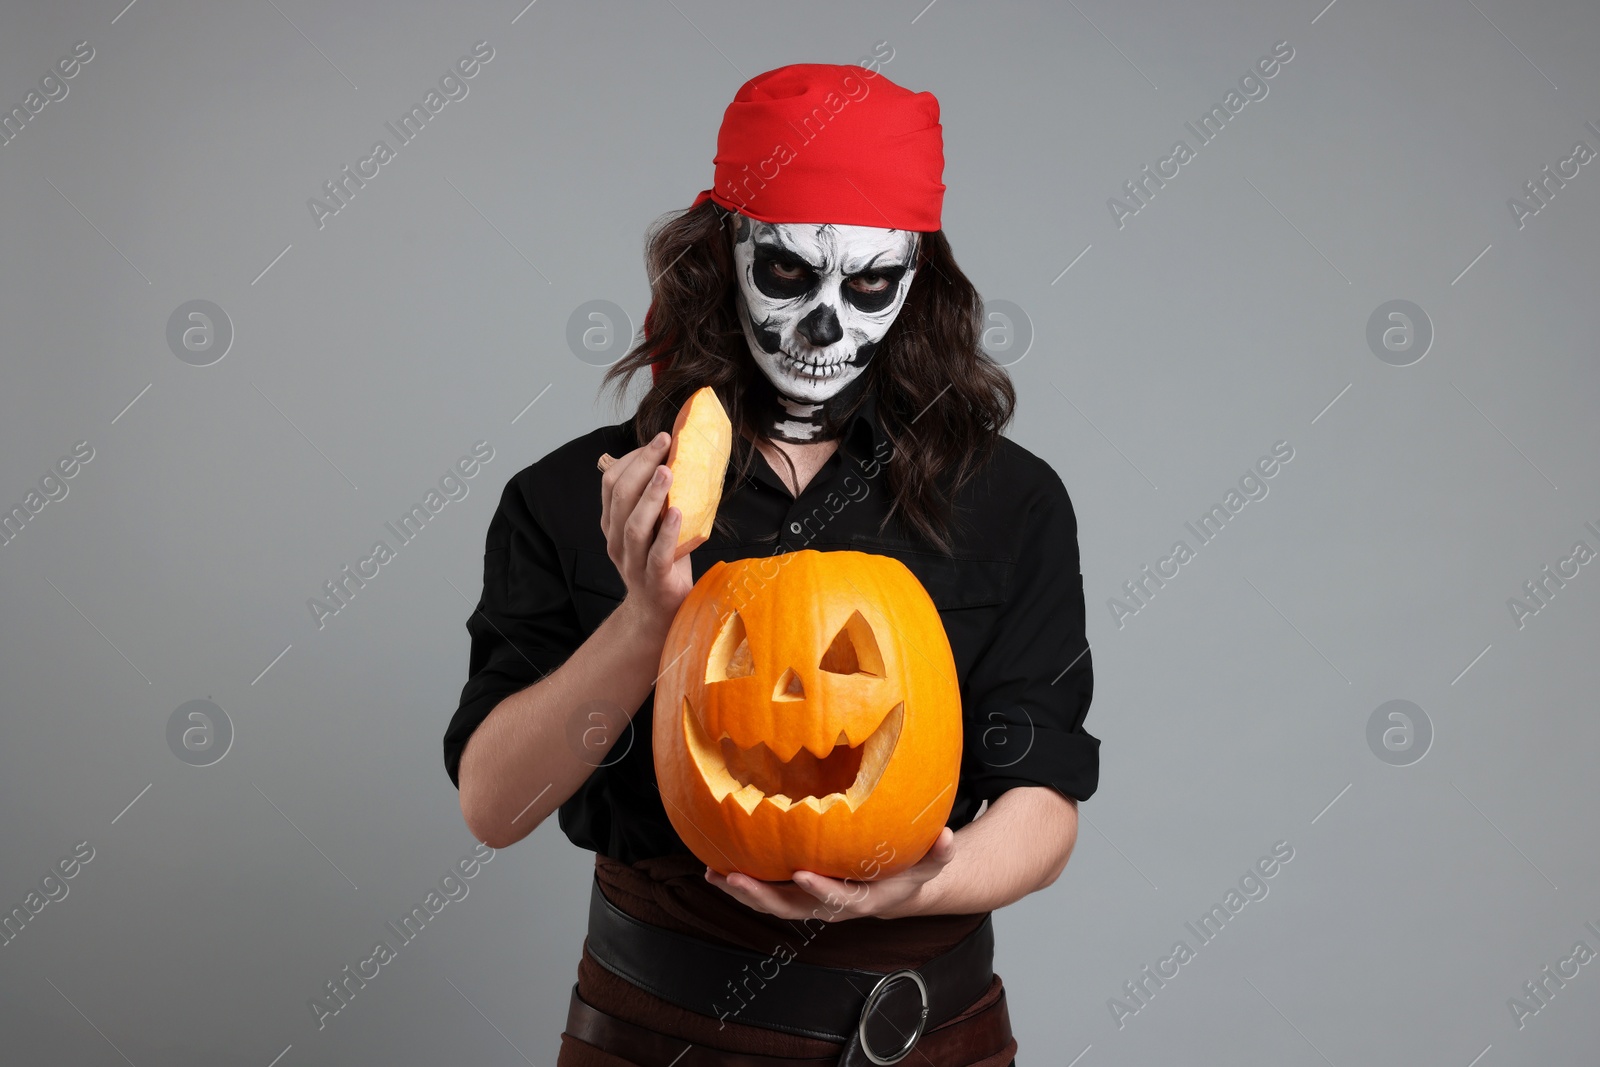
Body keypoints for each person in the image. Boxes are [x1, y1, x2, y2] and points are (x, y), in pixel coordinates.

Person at [443, 62, 1099, 1066]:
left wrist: (925, 881)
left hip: (927, 1036)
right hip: (656, 1034)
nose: (827, 326)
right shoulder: (588, 495)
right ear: (722, 259)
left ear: (919, 281)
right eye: (788, 273)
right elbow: (494, 804)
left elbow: (1044, 801)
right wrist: (645, 615)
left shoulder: (1009, 499)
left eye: (871, 282)